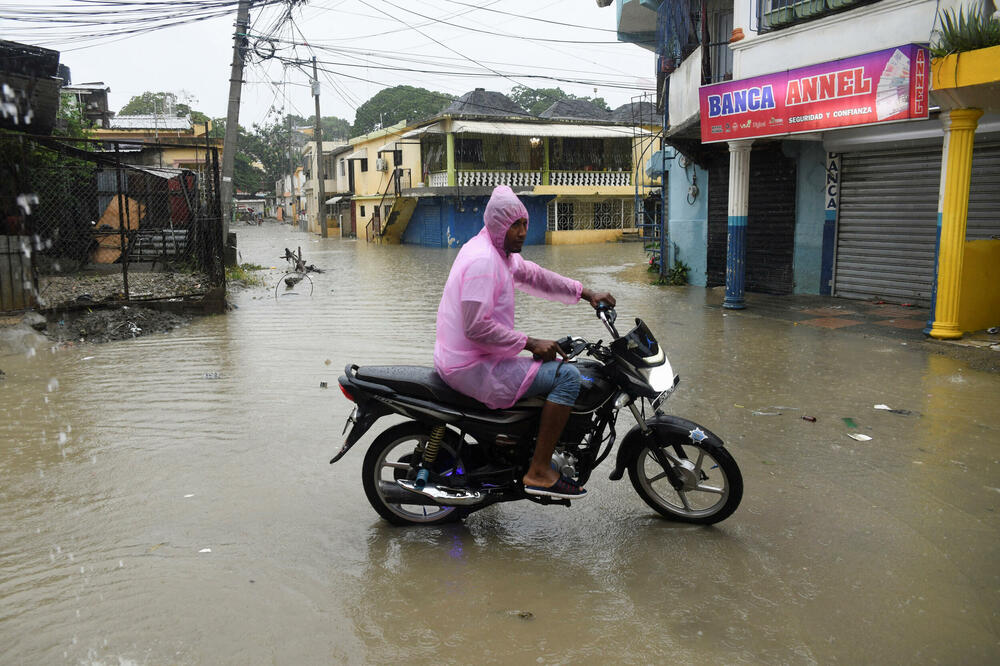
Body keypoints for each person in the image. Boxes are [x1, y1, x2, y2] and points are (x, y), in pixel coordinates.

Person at [434, 186, 615, 500]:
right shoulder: (483, 262)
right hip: (471, 364)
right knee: (568, 376)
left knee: (556, 363)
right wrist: (530, 343)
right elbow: (476, 326)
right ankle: (539, 469)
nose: (521, 233)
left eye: (524, 225)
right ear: (498, 225)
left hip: (471, 355)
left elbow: (535, 275)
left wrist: (587, 294)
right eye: (514, 226)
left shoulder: (495, 251)